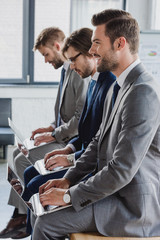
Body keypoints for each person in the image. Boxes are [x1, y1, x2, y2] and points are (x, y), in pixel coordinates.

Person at [31, 9, 160, 240]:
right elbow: (97, 142)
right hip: (112, 194)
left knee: (46, 223)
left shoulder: (143, 92)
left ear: (120, 43)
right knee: (39, 207)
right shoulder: (118, 87)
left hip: (131, 208)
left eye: (97, 43)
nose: (91, 51)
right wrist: (68, 178)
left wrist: (69, 195)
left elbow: (122, 169)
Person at [0, 27, 89, 239]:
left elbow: (78, 120)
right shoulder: (66, 72)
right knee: (18, 155)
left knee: (22, 161)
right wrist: (49, 128)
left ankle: (23, 217)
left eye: (46, 54)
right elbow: (63, 115)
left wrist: (54, 136)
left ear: (57, 47)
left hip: (68, 141)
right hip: (63, 137)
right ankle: (22, 215)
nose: (46, 60)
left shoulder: (79, 74)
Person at [22, 27, 116, 202]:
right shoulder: (94, 83)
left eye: (73, 59)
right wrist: (68, 149)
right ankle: (27, 226)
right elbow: (85, 132)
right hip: (79, 153)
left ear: (91, 54)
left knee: (36, 184)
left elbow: (100, 144)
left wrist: (70, 157)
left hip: (90, 166)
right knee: (30, 173)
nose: (71, 66)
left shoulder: (110, 85)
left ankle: (33, 227)